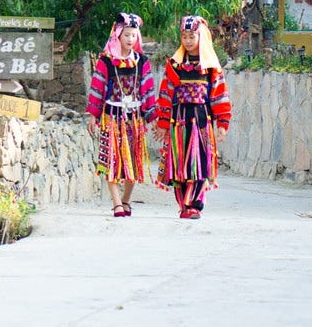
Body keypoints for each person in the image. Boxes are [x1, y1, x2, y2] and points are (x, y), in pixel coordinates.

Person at [152, 15, 231, 219]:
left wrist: (222, 122)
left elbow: (219, 94)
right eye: (184, 36)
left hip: (201, 120)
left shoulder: (211, 67)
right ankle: (183, 206)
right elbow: (166, 94)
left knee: (199, 161)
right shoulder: (175, 65)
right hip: (178, 121)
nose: (187, 41)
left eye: (192, 36)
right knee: (178, 163)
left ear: (201, 36)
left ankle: (194, 204)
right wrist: (162, 122)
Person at [86, 12, 156, 217]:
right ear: (117, 35)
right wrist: (93, 115)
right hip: (111, 116)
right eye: (127, 35)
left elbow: (148, 90)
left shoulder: (142, 61)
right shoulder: (106, 61)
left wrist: (152, 117)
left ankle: (126, 200)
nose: (130, 39)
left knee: (133, 161)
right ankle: (117, 203)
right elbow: (97, 87)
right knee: (111, 160)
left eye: (134, 35)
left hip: (134, 118)